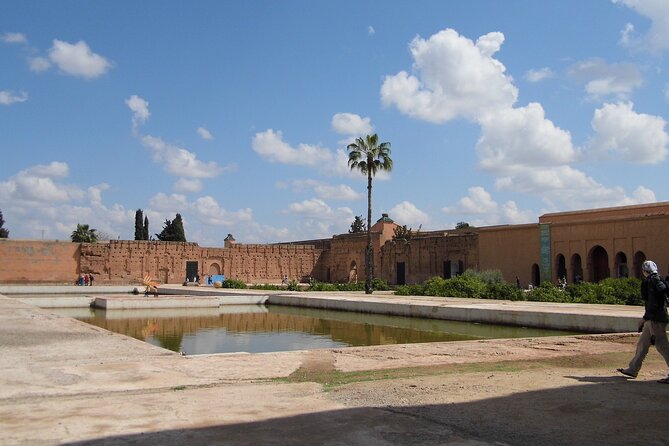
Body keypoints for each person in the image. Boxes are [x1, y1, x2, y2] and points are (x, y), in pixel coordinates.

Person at [617, 260, 669, 383]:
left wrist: (645, 319)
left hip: (655, 319)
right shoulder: (658, 279)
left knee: (662, 345)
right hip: (655, 317)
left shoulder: (651, 282)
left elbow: (652, 303)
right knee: (643, 344)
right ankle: (633, 369)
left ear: (645, 270)